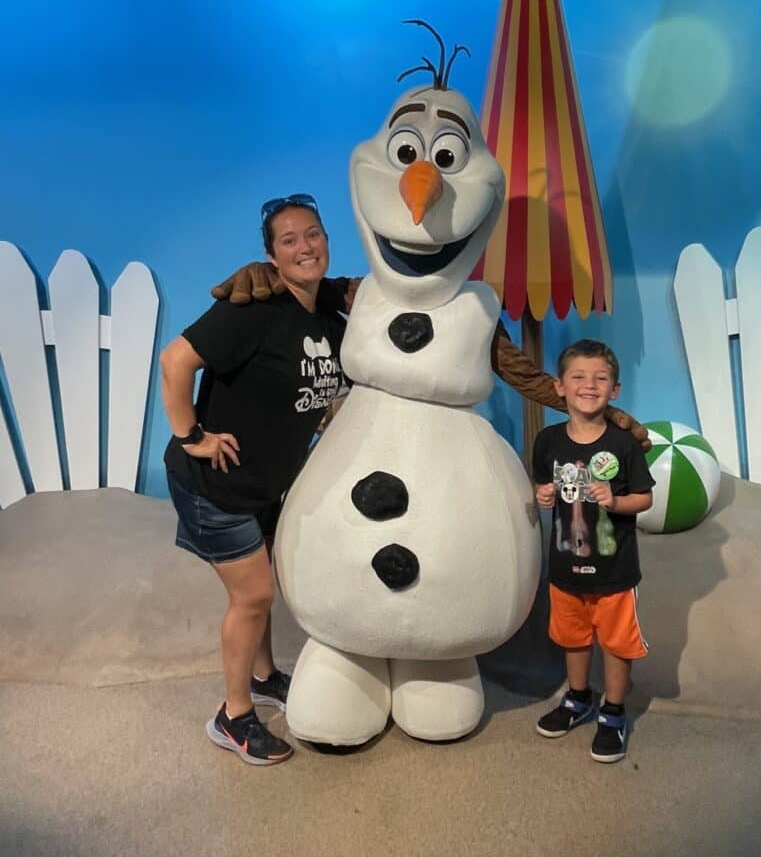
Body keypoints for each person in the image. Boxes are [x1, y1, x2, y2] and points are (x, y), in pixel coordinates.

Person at [160, 194, 345, 766]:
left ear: (325, 240)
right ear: (271, 255)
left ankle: (264, 677)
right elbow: (175, 362)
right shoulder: (252, 311)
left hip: (267, 482)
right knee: (255, 595)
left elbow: (328, 397)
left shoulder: (330, 321)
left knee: (263, 582)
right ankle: (233, 715)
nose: (303, 247)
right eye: (288, 240)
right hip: (212, 483)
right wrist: (194, 436)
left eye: (311, 234)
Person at [211, 265, 653, 448]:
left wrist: (600, 412)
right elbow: (307, 289)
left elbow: (526, 377)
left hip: (442, 444)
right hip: (371, 437)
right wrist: (266, 269)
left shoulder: (474, 306)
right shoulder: (365, 291)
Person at [531, 339, 654, 764]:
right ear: (559, 386)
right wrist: (543, 494)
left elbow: (645, 498)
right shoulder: (547, 441)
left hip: (615, 571)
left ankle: (614, 712)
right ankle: (578, 699)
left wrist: (616, 502)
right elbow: (541, 483)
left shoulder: (624, 445)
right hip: (565, 568)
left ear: (615, 390)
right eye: (578, 377)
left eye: (600, 378)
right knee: (573, 637)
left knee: (617, 643)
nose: (589, 385)